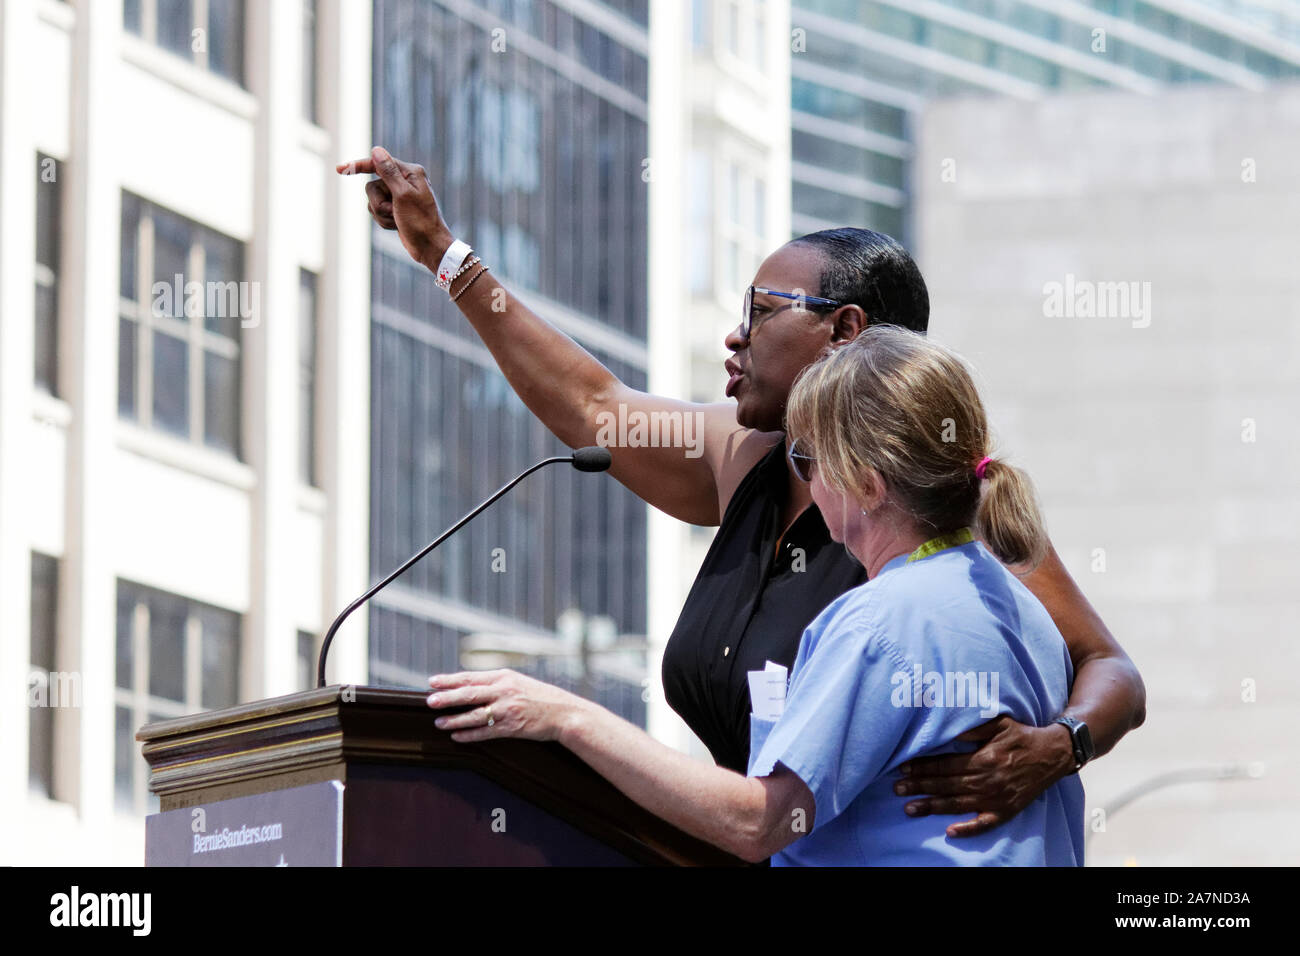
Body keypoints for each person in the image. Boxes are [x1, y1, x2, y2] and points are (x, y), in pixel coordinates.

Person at [338, 146, 1145, 837]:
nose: (735, 334)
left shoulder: (940, 508)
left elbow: (1109, 666)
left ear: (845, 332)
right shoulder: (743, 455)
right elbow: (592, 406)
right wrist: (446, 255)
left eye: (760, 311)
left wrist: (1061, 745)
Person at [427, 327, 1085, 864]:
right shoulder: (1022, 612)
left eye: (808, 462)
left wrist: (565, 717)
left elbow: (760, 823)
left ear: (868, 481)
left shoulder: (879, 623)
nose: (807, 486)